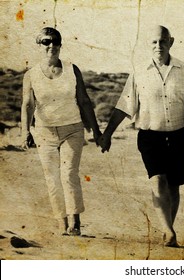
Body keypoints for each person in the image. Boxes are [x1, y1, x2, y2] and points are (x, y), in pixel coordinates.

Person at [99, 25, 184, 247]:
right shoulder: (139, 72)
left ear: (171, 42)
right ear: (149, 44)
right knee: (158, 181)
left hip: (180, 136)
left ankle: (167, 230)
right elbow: (124, 107)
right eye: (154, 42)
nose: (159, 46)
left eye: (163, 41)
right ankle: (169, 231)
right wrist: (108, 134)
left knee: (174, 186)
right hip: (150, 136)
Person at [21, 27, 102, 236]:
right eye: (46, 42)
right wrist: (25, 132)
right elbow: (28, 105)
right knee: (52, 178)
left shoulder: (72, 69)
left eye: (55, 42)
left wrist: (96, 130)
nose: (51, 46)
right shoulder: (30, 75)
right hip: (44, 132)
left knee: (68, 174)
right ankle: (61, 220)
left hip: (72, 129)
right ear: (39, 45)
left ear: (60, 45)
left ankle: (74, 222)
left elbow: (84, 101)